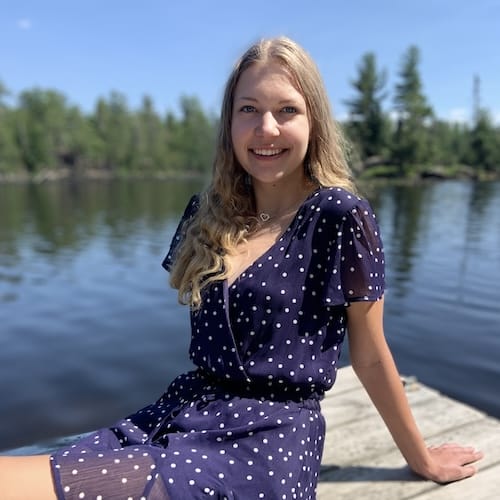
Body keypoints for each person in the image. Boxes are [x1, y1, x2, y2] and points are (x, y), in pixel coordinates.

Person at [0, 36, 483, 500]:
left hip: (266, 441)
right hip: (183, 411)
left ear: (314, 121)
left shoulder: (338, 215)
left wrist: (421, 459)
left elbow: (371, 355)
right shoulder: (207, 214)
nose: (266, 128)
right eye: (249, 109)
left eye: (286, 110)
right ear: (229, 123)